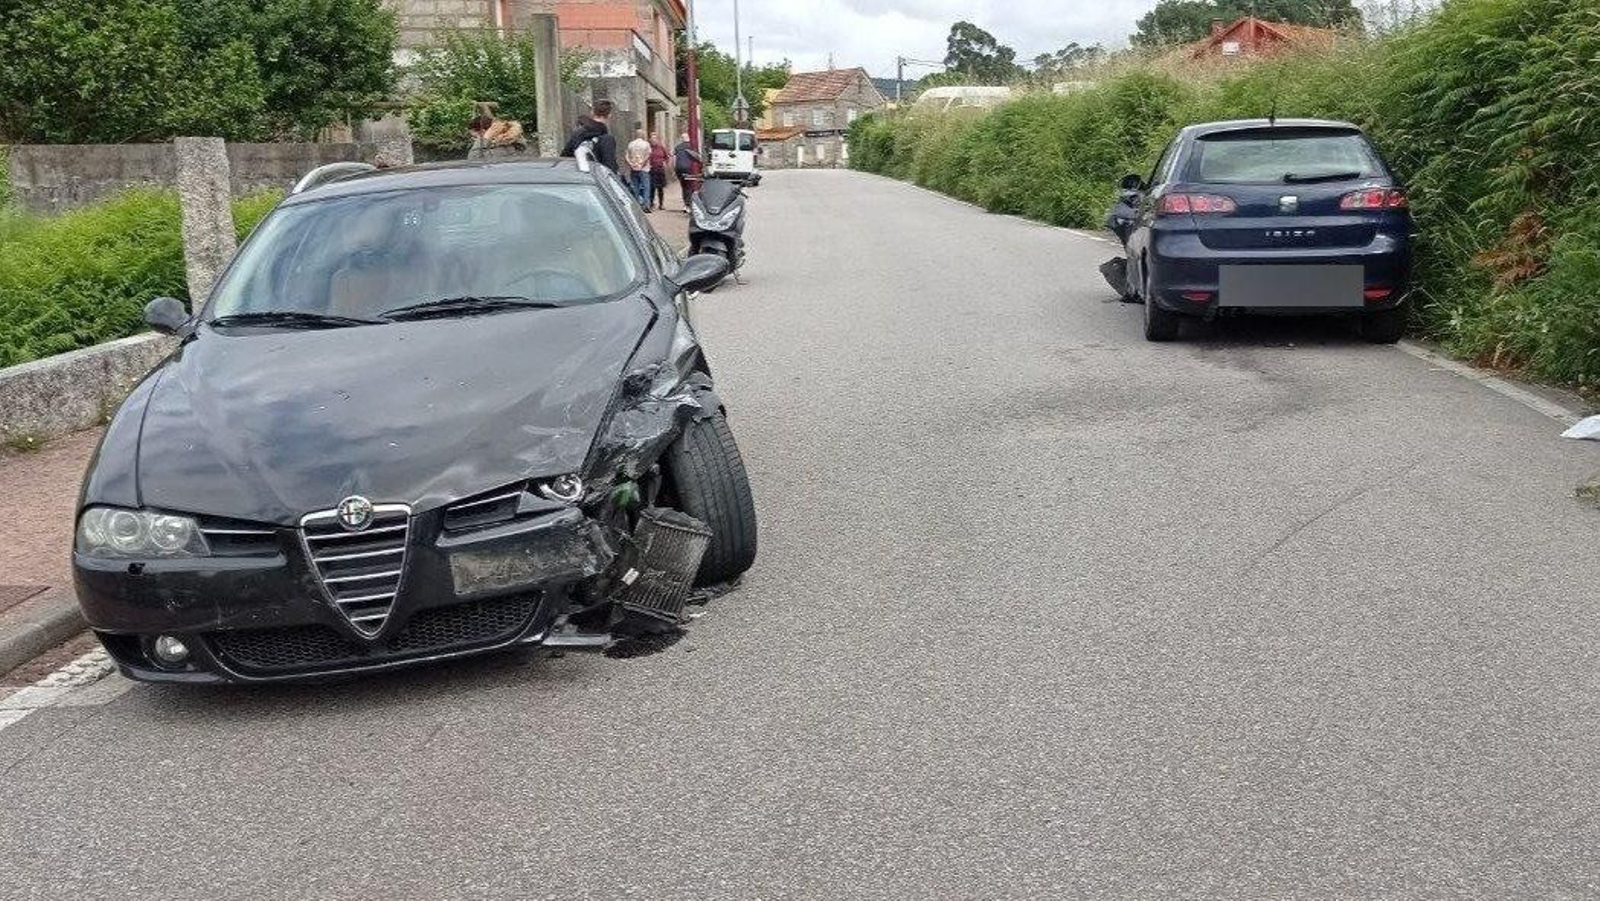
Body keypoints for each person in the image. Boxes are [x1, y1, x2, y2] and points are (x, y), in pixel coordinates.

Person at [561, 99, 619, 172]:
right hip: (595, 178)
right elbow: (610, 166)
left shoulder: (577, 134)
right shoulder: (607, 139)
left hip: (575, 175)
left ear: (592, 112)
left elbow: (565, 156)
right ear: (609, 115)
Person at [672, 133, 702, 212]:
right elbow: (698, 158)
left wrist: (674, 169)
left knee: (684, 186)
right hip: (689, 169)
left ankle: (686, 204)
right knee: (690, 186)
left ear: (682, 139)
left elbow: (674, 160)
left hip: (679, 169)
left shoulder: (677, 147)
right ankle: (689, 204)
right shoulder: (692, 147)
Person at [625, 129, 653, 211]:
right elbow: (648, 155)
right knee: (646, 187)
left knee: (635, 187)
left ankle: (636, 205)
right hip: (644, 168)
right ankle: (646, 205)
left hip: (633, 167)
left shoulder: (631, 144)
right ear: (642, 135)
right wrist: (642, 163)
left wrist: (630, 163)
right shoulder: (646, 144)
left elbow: (626, 155)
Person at [648, 132, 669, 211]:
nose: (654, 140)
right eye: (652, 139)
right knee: (652, 187)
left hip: (660, 169)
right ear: (650, 140)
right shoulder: (649, 148)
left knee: (660, 188)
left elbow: (666, 157)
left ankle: (661, 204)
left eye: (655, 139)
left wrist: (665, 163)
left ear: (657, 140)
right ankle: (651, 203)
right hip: (651, 169)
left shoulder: (661, 148)